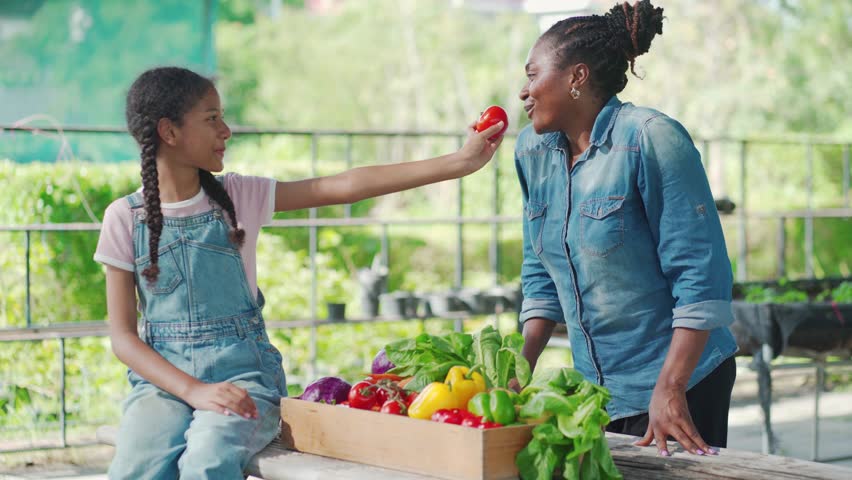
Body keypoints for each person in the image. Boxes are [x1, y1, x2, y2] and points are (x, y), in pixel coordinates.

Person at [94, 66, 504, 479]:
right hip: (162, 384)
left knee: (207, 461)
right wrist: (192, 390)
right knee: (137, 467)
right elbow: (124, 338)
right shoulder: (123, 218)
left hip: (243, 378)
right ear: (169, 132)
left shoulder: (237, 197)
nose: (226, 130)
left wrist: (461, 161)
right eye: (211, 118)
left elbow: (343, 186)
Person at [513, 0, 738, 457]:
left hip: (683, 381)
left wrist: (670, 388)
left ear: (577, 77)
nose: (524, 91)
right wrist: (519, 368)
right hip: (600, 391)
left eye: (533, 75)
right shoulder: (531, 152)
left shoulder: (651, 137)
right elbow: (539, 272)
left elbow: (701, 277)